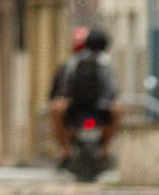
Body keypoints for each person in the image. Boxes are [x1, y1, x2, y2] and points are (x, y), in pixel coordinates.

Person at [49, 26, 119, 160]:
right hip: (101, 105)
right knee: (118, 111)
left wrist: (64, 98)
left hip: (75, 104)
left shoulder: (73, 60)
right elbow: (112, 88)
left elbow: (64, 84)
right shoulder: (107, 61)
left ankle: (66, 149)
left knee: (55, 110)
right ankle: (106, 147)